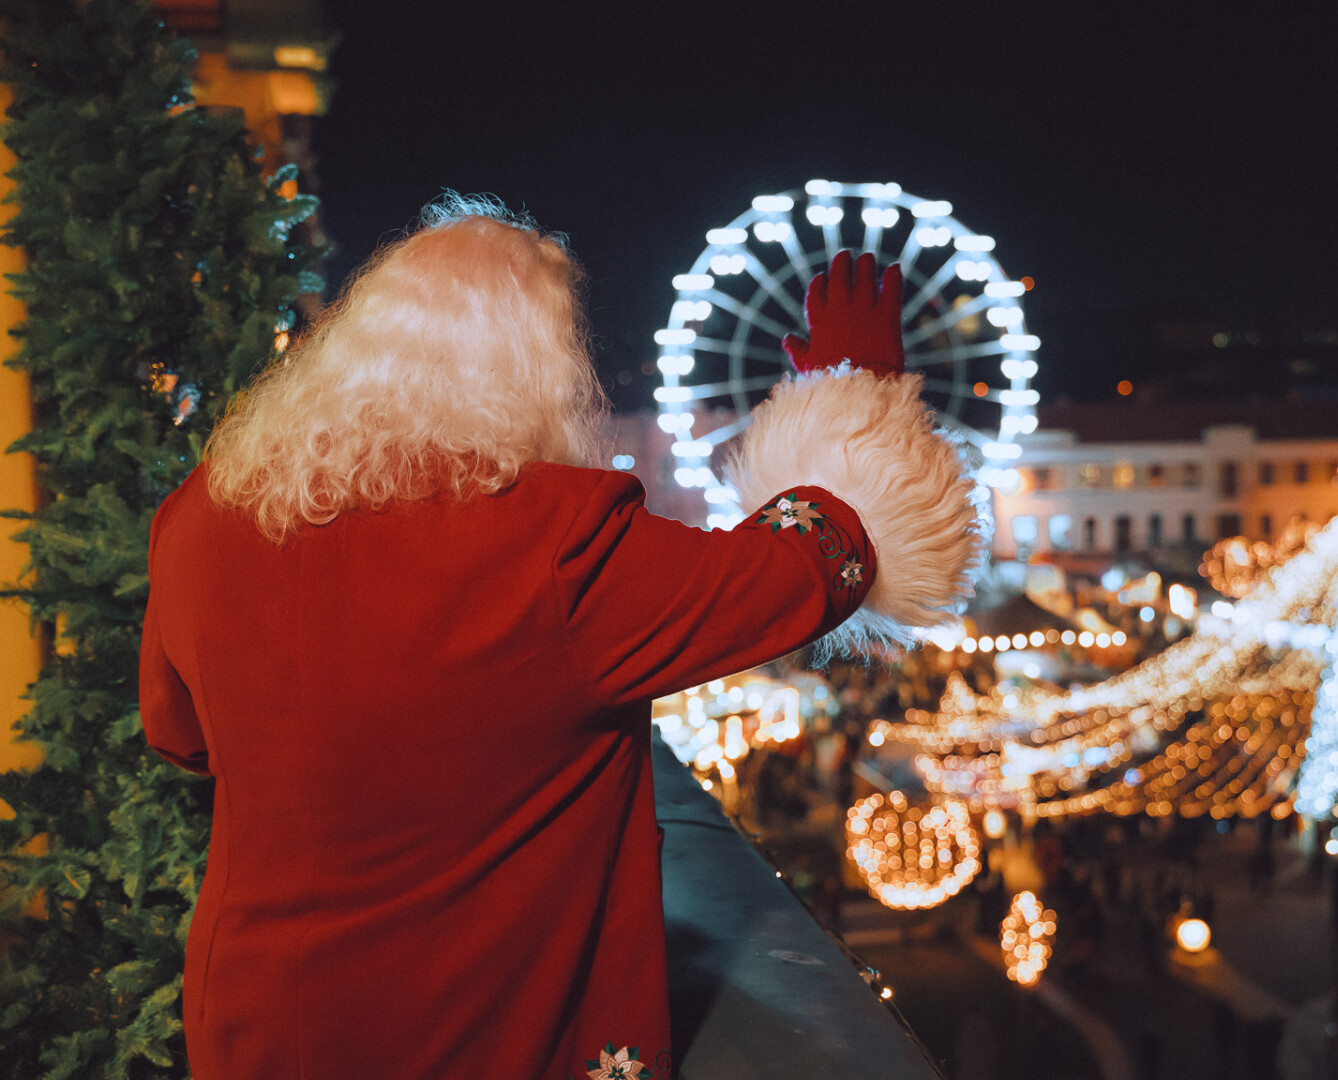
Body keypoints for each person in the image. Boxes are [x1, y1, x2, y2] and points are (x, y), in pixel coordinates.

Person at [139, 196, 978, 1079]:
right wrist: (857, 390)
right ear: (538, 369)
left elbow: (178, 734)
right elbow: (805, 567)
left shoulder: (202, 518)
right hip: (476, 1031)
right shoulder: (555, 545)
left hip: (259, 1019)